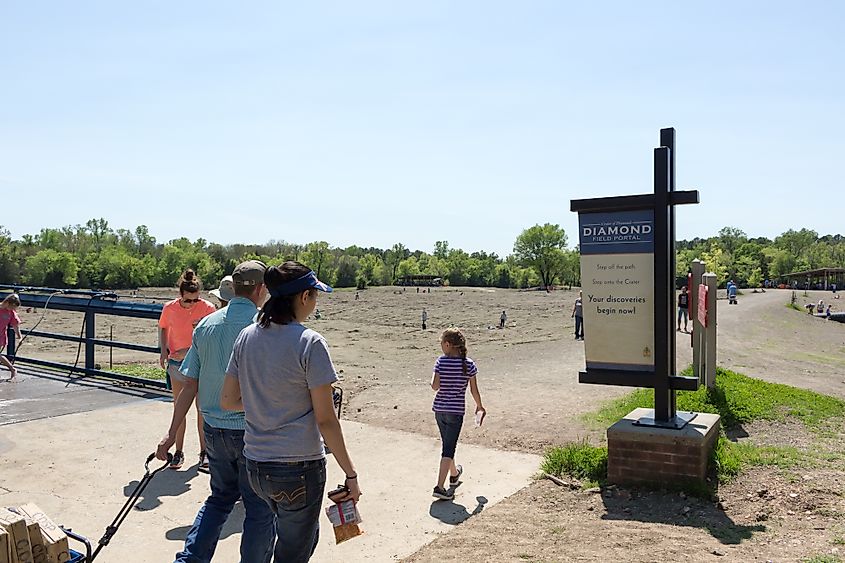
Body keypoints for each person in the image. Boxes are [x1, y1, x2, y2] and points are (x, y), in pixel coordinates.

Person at [221, 261, 360, 562]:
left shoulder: (246, 336)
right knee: (294, 552)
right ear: (303, 297)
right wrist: (351, 474)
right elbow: (326, 419)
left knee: (298, 539)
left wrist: (266, 401)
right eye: (315, 294)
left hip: (256, 464)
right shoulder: (310, 343)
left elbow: (229, 400)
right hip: (298, 468)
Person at [156, 260, 275, 563]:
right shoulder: (265, 326)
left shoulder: (207, 325)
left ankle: (191, 559)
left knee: (220, 499)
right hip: (252, 432)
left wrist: (171, 433)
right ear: (262, 289)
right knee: (259, 507)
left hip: (214, 430)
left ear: (234, 288)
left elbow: (188, 384)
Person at [159, 269, 216, 470]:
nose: (192, 304)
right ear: (180, 295)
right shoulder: (169, 308)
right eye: (188, 301)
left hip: (200, 362)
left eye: (195, 300)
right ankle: (178, 451)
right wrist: (163, 350)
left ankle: (204, 452)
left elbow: (213, 334)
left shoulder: (208, 308)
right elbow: (163, 327)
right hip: (176, 363)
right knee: (179, 409)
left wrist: (190, 350)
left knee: (202, 409)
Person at [430, 328, 485, 501]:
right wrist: (480, 406)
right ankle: (439, 487)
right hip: (456, 411)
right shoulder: (468, 364)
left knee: (447, 445)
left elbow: (434, 386)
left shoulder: (440, 361)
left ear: (447, 344)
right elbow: (474, 390)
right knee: (449, 447)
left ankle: (454, 475)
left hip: (439, 409)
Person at [0, 294, 23, 380]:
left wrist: (20, 337)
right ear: (7, 302)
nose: (13, 310)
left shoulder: (11, 313)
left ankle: (12, 369)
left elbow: (15, 325)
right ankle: (12, 368)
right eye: (12, 307)